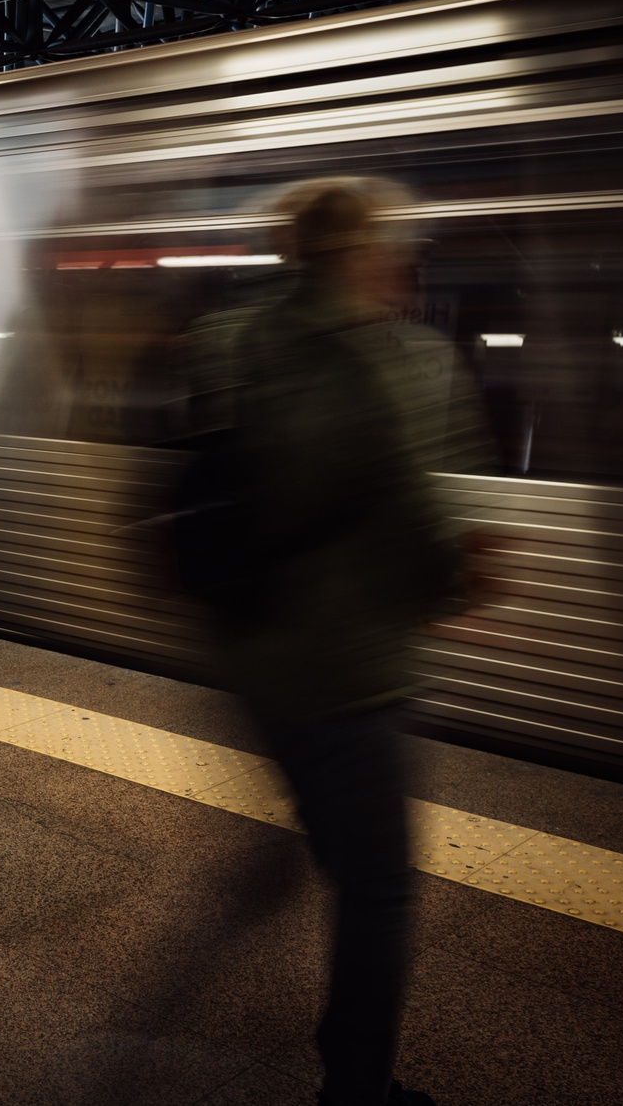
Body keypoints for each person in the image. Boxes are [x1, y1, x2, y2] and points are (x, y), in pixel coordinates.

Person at [201, 179, 474, 1106]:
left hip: (248, 646)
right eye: (388, 246)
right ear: (360, 253)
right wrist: (456, 581)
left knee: (338, 837)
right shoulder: (372, 356)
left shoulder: (233, 337)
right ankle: (356, 1087)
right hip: (345, 661)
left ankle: (310, 843)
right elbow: (415, 506)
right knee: (383, 887)